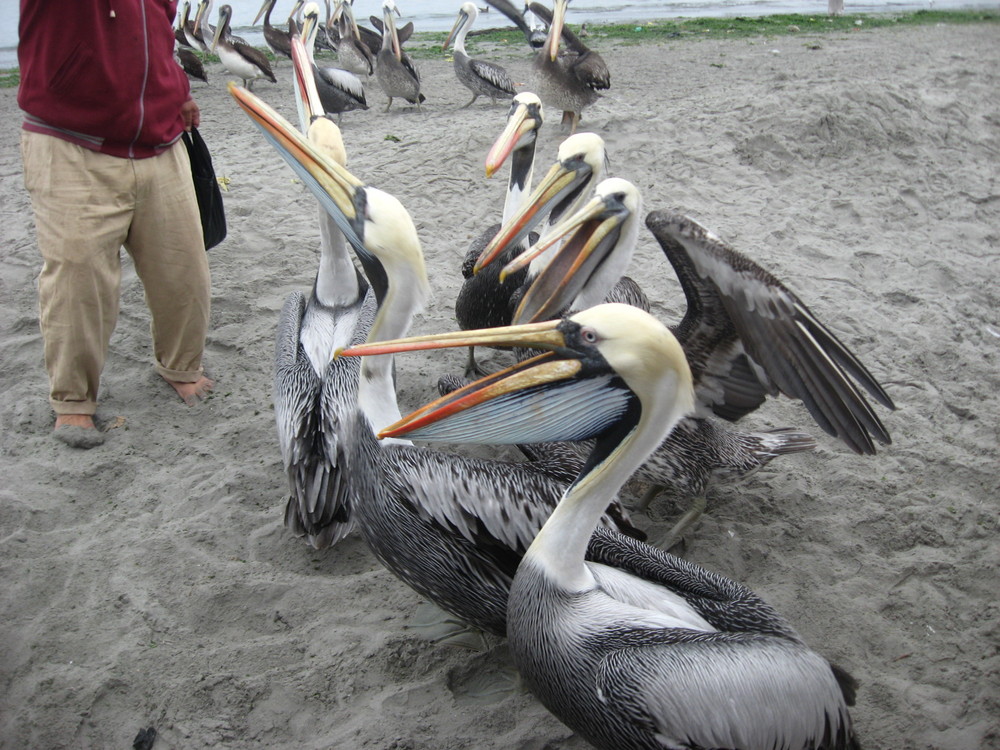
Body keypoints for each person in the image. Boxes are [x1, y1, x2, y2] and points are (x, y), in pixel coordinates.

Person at [18, 0, 215, 448]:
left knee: (184, 271)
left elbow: (157, 30)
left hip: (161, 142)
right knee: (78, 277)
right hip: (69, 142)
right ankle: (73, 402)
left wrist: (178, 88)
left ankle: (181, 368)